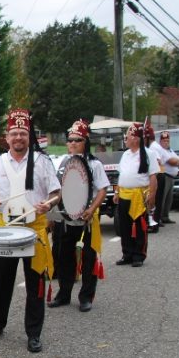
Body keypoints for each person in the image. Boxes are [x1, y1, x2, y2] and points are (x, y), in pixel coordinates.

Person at [0, 109, 60, 353]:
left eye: (22, 133)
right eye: (14, 133)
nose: (18, 138)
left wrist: (48, 203)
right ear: (7, 137)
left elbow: (56, 193)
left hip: (34, 228)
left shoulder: (43, 162)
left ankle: (33, 333)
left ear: (29, 136)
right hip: (8, 229)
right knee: (2, 280)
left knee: (35, 282)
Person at [48, 120, 109, 312]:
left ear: (86, 141)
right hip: (65, 218)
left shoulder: (94, 164)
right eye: (70, 140)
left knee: (88, 258)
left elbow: (102, 190)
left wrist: (91, 209)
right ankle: (64, 293)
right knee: (64, 257)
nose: (72, 143)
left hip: (86, 218)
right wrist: (51, 214)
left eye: (77, 140)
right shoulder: (61, 162)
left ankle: (86, 296)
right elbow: (55, 190)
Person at [113, 122, 158, 267]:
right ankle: (127, 253)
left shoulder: (149, 154)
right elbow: (121, 175)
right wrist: (117, 192)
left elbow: (153, 177)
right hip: (124, 195)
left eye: (128, 136)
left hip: (139, 195)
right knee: (124, 227)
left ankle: (139, 254)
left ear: (136, 138)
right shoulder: (125, 154)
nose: (126, 139)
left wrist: (152, 195)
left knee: (139, 226)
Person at [149, 131, 179, 226]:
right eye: (164, 141)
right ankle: (158, 218)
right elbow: (172, 161)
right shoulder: (159, 150)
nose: (166, 143)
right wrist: (177, 162)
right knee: (161, 199)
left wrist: (178, 161)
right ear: (160, 141)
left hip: (171, 177)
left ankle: (165, 216)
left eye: (167, 141)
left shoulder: (169, 150)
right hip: (165, 175)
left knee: (168, 199)